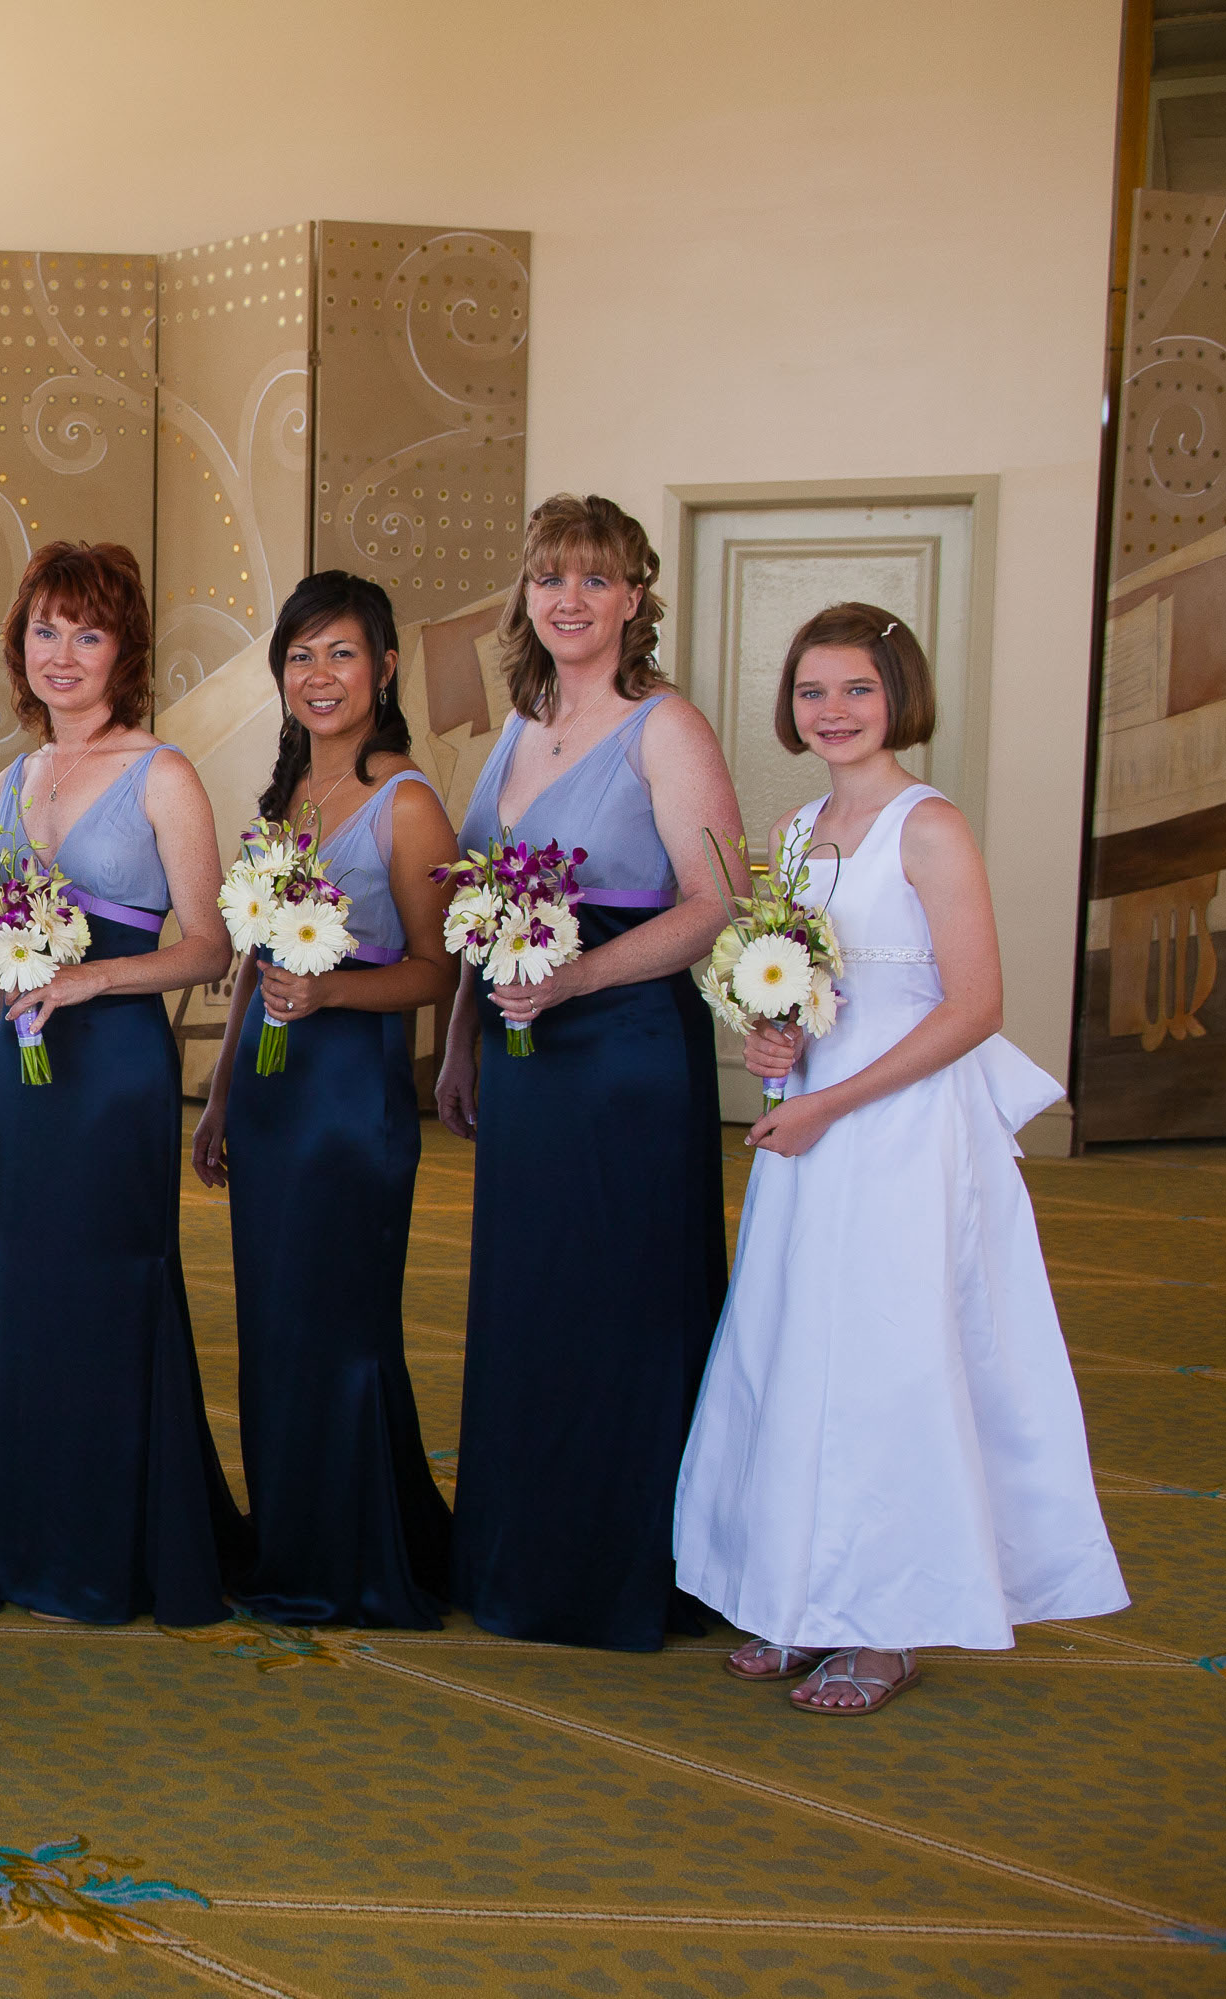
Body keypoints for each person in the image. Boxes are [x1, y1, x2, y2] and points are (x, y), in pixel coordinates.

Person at [673, 604, 1128, 1713]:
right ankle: (794, 1594)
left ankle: (882, 1625)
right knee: (790, 1349)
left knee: (883, 1361)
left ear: (898, 698)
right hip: (809, 1120)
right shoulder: (790, 834)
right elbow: (785, 983)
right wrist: (768, 1036)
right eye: (811, 691)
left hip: (899, 1128)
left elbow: (974, 1005)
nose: (831, 712)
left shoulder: (928, 826)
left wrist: (834, 1098)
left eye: (855, 691)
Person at [438, 494, 742, 1651]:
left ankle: (618, 1573)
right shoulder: (515, 731)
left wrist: (572, 983)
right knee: (531, 1307)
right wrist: (463, 1040)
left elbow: (717, 906)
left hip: (621, 1058)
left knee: (618, 1309)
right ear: (525, 597)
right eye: (548, 577)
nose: (568, 598)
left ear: (632, 598)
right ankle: (525, 1558)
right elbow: (484, 904)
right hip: (523, 1061)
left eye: (594, 578)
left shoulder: (665, 727)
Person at [0, 541, 247, 1626]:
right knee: (32, 1299)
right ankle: (31, 1541)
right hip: (28, 1080)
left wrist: (94, 976)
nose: (60, 654)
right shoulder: (11, 779)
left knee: (114, 1294)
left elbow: (206, 946)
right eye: (42, 631)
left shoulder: (163, 774)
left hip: (113, 1070)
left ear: (125, 649)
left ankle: (115, 1549)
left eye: (87, 632)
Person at [191, 571, 458, 1629]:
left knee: (339, 1325)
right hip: (264, 1095)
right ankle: (294, 1534)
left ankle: (350, 1559)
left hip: (350, 1101)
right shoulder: (286, 796)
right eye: (299, 655)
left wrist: (335, 989)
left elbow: (439, 970)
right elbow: (256, 966)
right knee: (271, 1328)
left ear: (384, 668)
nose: (318, 675)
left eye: (340, 653)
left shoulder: (406, 802)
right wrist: (213, 1103)